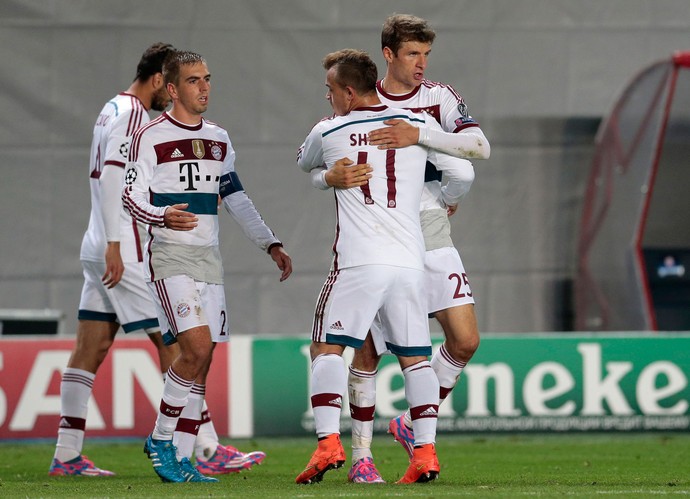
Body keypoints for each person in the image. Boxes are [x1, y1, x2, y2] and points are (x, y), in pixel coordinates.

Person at [48, 43, 264, 479]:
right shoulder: (134, 117)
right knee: (184, 346)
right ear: (156, 82)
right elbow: (115, 178)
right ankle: (201, 447)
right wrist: (116, 242)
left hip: (98, 243)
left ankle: (66, 453)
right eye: (173, 86)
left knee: (90, 348)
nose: (173, 95)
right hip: (124, 249)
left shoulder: (111, 106)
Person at [311, 14, 490, 482]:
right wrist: (328, 178)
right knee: (368, 354)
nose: (421, 64)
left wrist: (425, 142)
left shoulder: (437, 98)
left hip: (427, 229)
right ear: (388, 55)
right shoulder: (358, 100)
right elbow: (322, 159)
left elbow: (475, 151)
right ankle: (362, 457)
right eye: (413, 53)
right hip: (379, 234)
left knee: (465, 339)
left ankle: (411, 425)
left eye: (426, 54)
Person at [122, 50, 292, 483]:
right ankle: (161, 439)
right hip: (170, 256)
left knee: (203, 360)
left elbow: (235, 197)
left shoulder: (219, 138)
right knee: (194, 349)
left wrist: (269, 242)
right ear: (173, 89)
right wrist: (162, 216)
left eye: (208, 79)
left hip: (208, 260)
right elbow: (130, 196)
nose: (205, 87)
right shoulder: (149, 136)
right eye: (194, 80)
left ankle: (181, 460)